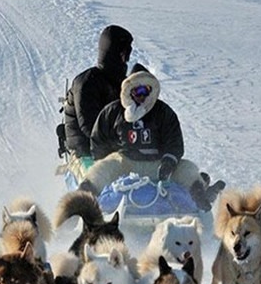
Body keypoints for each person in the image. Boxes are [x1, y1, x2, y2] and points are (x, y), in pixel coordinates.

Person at [78, 67, 225, 211]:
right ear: (129, 92)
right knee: (101, 169)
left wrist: (169, 161)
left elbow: (174, 141)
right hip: (125, 163)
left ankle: (200, 197)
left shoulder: (163, 112)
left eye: (145, 91)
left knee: (187, 168)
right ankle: (81, 202)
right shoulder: (113, 112)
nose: (142, 96)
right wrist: (106, 159)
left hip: (158, 164)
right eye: (137, 91)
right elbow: (99, 140)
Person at [62, 25, 133, 181]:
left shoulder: (123, 83)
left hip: (115, 150)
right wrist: (120, 142)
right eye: (123, 54)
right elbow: (89, 126)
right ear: (114, 53)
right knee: (100, 184)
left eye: (127, 54)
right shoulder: (87, 82)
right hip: (85, 151)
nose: (126, 59)